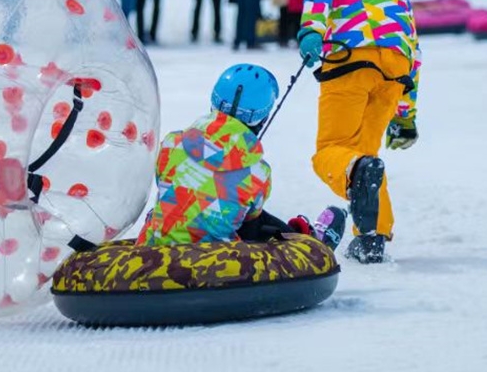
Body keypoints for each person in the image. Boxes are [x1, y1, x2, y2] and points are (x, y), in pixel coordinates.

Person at [296, 0, 421, 264]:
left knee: (332, 151)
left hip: (351, 57)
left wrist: (312, 31)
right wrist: (405, 115)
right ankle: (372, 238)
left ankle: (361, 194)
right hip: (395, 67)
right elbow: (413, 41)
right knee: (365, 156)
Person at [137, 63, 347, 248]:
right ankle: (307, 242)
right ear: (261, 119)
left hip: (155, 249)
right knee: (248, 220)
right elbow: (250, 221)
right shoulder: (258, 172)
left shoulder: (171, 143)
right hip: (215, 261)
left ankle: (298, 235)